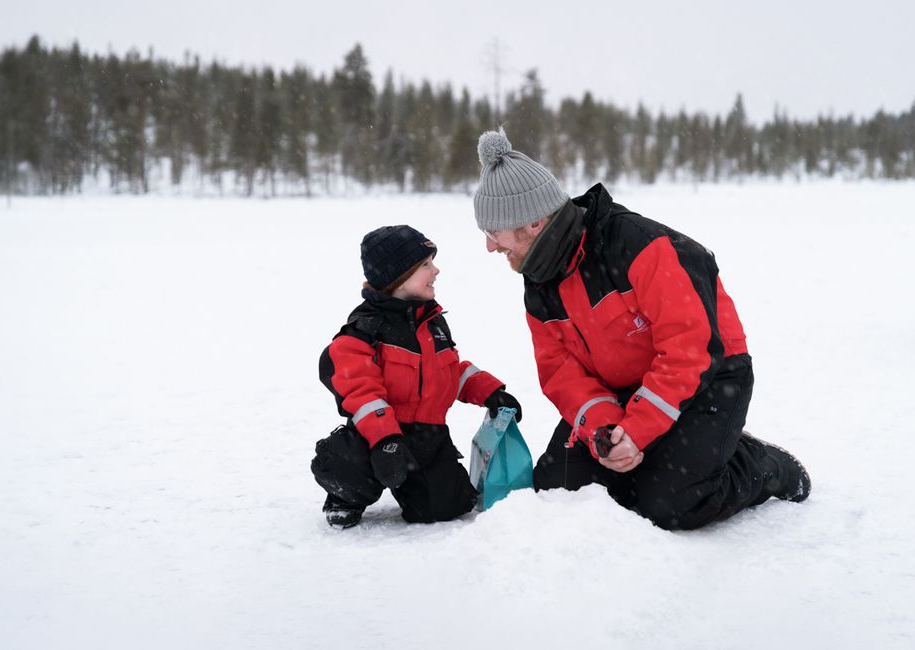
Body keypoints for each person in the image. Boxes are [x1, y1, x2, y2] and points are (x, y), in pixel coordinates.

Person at [471, 129, 810, 531]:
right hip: (620, 388)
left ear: (533, 222)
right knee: (561, 489)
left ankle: (756, 462)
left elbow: (690, 350)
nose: (491, 247)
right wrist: (606, 427)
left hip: (708, 377)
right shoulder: (539, 280)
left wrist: (639, 429)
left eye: (493, 233)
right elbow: (560, 371)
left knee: (670, 504)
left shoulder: (641, 248)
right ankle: (669, 454)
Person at [313, 225, 522, 528]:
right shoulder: (366, 329)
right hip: (378, 436)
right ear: (397, 277)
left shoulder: (432, 322)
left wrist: (489, 392)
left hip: (427, 437)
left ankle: (419, 487)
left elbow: (448, 372)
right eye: (425, 264)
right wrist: (385, 439)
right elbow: (361, 392)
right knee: (351, 466)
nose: (436, 270)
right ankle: (345, 493)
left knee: (447, 506)